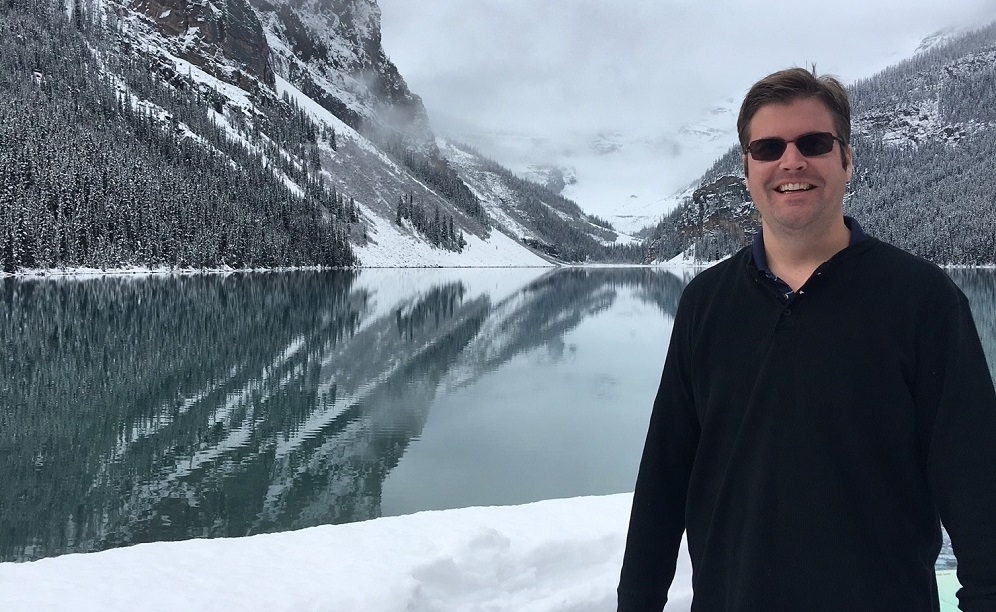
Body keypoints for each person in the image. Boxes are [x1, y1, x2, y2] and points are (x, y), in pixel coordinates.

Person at [617, 67, 996, 611]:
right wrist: (638, 600)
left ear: (846, 159)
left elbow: (977, 480)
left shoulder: (923, 300)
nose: (790, 161)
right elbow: (664, 472)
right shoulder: (705, 303)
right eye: (767, 147)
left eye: (814, 143)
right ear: (747, 169)